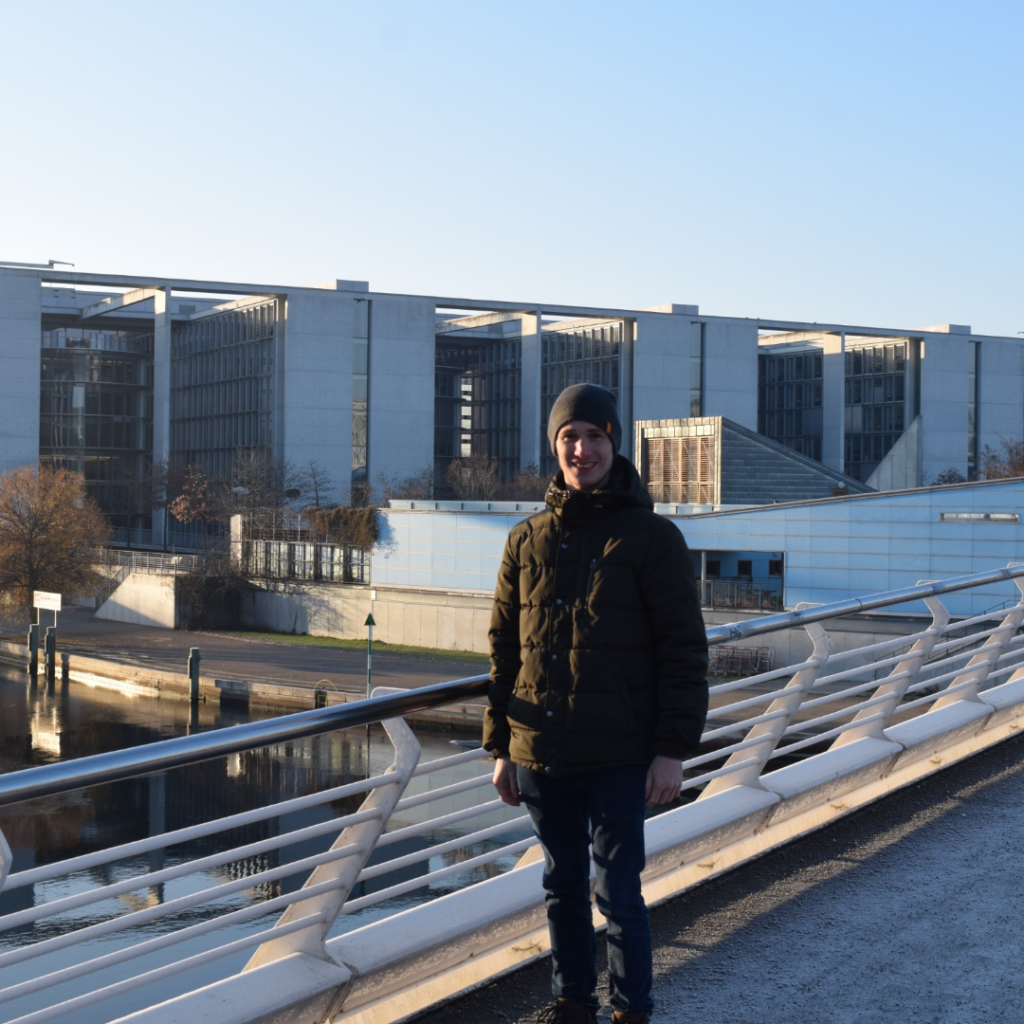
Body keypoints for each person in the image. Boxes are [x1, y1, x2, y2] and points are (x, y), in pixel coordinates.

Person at [483, 383, 709, 1024]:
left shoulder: (650, 538)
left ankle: (632, 1010)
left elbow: (684, 652)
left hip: (619, 753)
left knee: (618, 891)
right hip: (540, 750)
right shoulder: (526, 539)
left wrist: (671, 751)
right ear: (555, 448)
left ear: (615, 442)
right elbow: (504, 652)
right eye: (569, 438)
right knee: (560, 886)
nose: (583, 449)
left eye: (595, 436)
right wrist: (500, 745)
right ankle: (573, 1004)